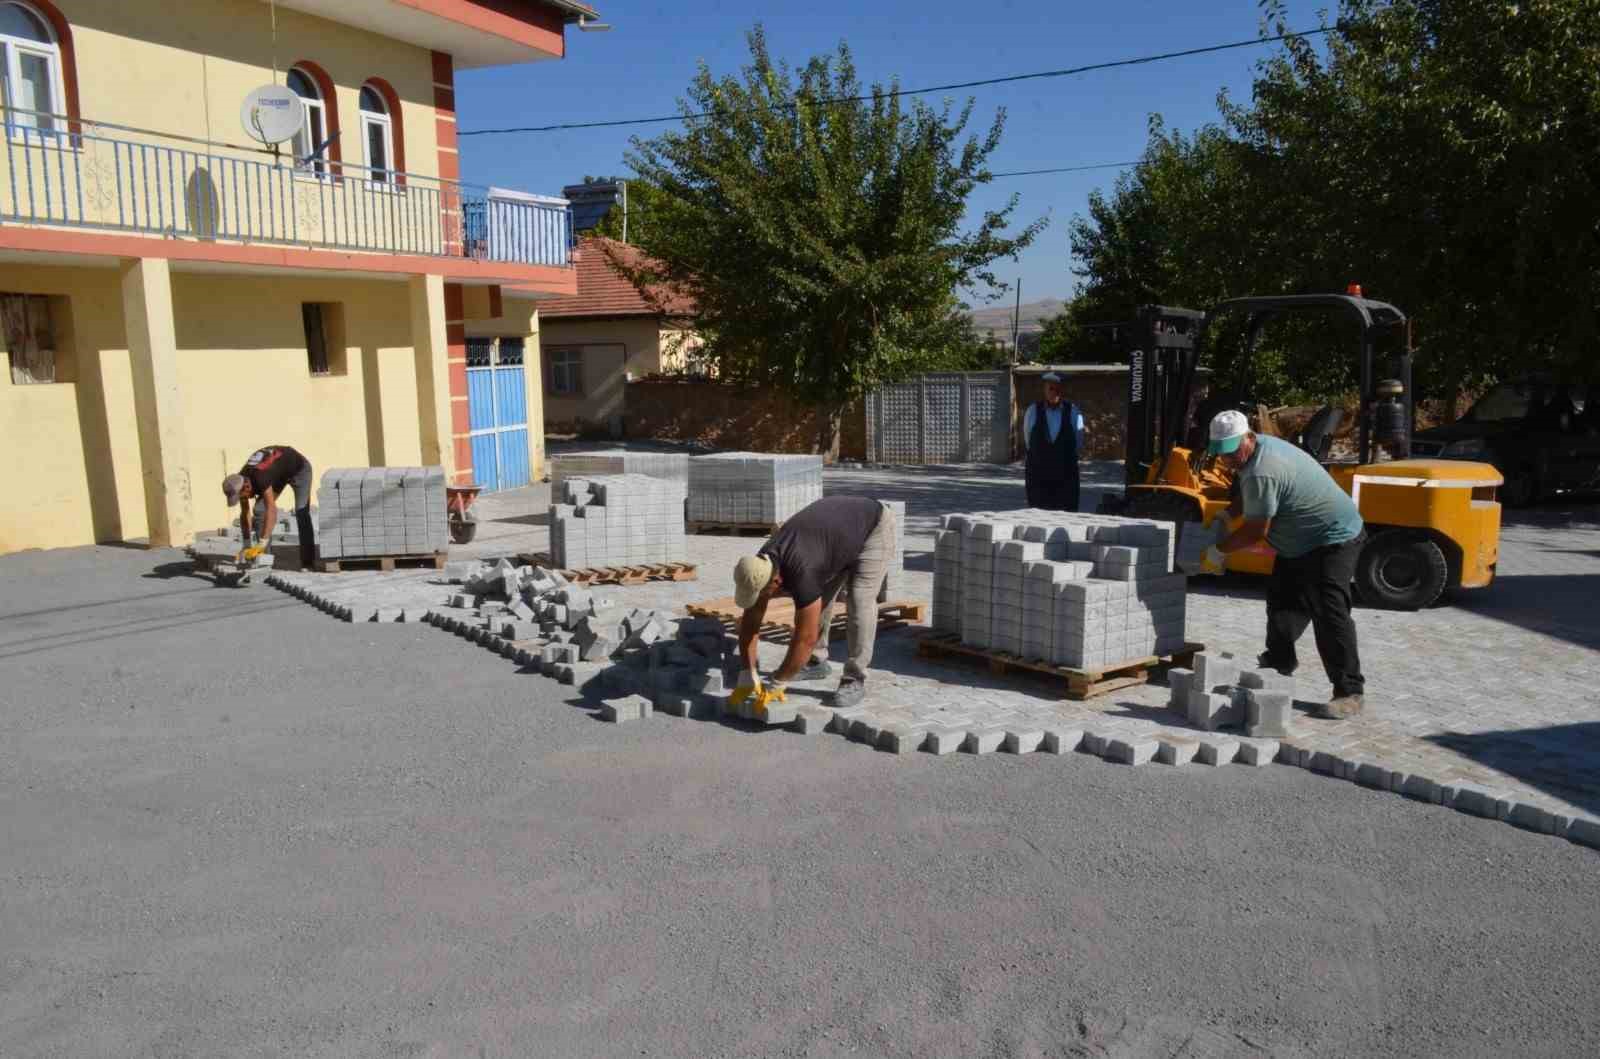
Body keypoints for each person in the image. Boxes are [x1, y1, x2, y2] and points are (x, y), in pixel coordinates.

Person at [1200, 410, 1367, 719]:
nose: (1229, 460)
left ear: (1248, 438)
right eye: (1222, 455)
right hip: (1298, 543)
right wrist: (1228, 514)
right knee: (1281, 604)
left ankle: (1350, 691)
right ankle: (1277, 669)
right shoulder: (1255, 450)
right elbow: (1253, 493)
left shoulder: (1264, 468)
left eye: (1233, 452)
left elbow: (1256, 530)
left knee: (1329, 612)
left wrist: (1219, 551)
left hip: (1333, 537)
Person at [730, 496, 899, 712]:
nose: (763, 599)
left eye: (765, 595)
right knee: (821, 599)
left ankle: (855, 677)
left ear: (776, 581)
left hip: (873, 527)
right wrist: (747, 672)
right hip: (836, 537)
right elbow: (750, 623)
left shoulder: (802, 572)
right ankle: (816, 662)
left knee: (859, 601)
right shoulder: (758, 566)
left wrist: (778, 682)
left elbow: (805, 638)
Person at [222, 445, 316, 568]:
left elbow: (272, 509)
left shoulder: (260, 477)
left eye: (242, 496)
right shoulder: (240, 480)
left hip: (299, 469)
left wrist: (261, 543)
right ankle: (264, 560)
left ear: (247, 487)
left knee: (301, 512)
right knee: (260, 510)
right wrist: (246, 545)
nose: (243, 499)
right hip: (279, 473)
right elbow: (245, 513)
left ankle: (308, 563)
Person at [1022, 371, 1085, 511]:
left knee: (1066, 515)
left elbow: (1078, 442)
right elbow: (1028, 440)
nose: (1055, 392)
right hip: (1039, 474)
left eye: (1059, 389)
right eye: (1051, 388)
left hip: (1065, 475)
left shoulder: (1074, 412)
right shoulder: (1032, 411)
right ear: (1044, 390)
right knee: (1038, 515)